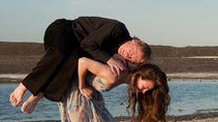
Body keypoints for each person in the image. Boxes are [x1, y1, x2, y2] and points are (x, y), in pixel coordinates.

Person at [9, 17, 151, 114]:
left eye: (131, 58)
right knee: (61, 53)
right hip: (62, 31)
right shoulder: (117, 29)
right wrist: (109, 59)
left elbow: (86, 57)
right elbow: (87, 44)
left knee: (73, 64)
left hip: (75, 50)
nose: (127, 55)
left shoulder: (119, 56)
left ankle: (38, 95)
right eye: (131, 52)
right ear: (134, 40)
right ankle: (24, 86)